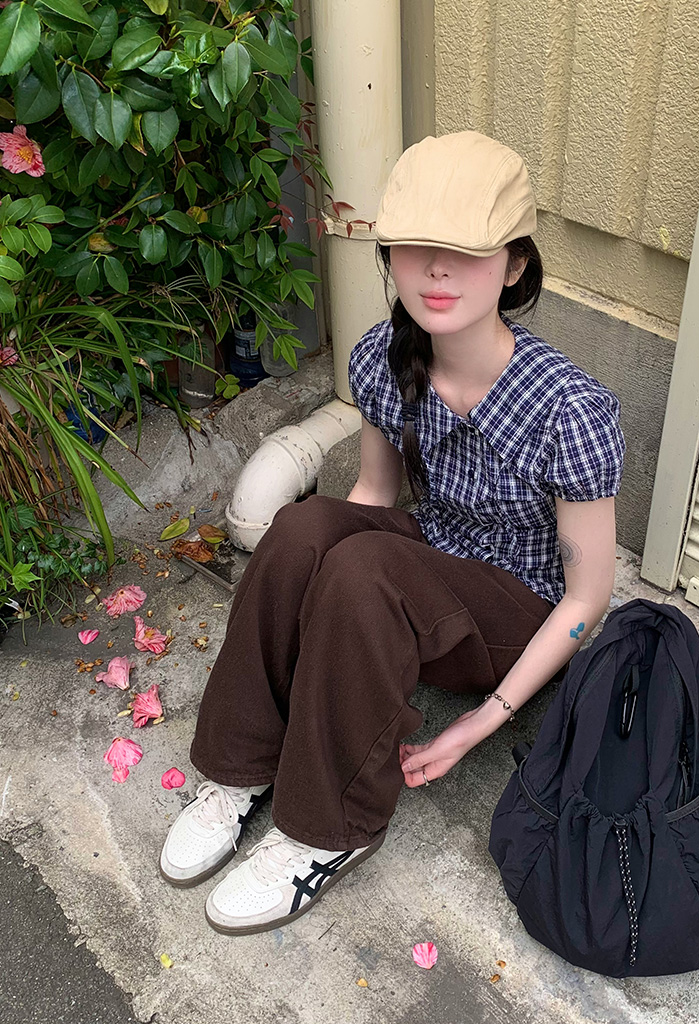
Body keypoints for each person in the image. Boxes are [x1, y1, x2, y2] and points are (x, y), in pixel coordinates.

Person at [159, 131, 624, 936]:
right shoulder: (384, 355)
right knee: (305, 526)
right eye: (415, 248)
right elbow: (374, 494)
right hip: (425, 564)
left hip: (513, 614)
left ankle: (326, 827)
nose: (437, 271)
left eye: (467, 252)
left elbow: (588, 597)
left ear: (515, 265)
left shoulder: (570, 410)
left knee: (367, 567)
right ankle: (241, 767)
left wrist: (484, 719)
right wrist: (321, 584)